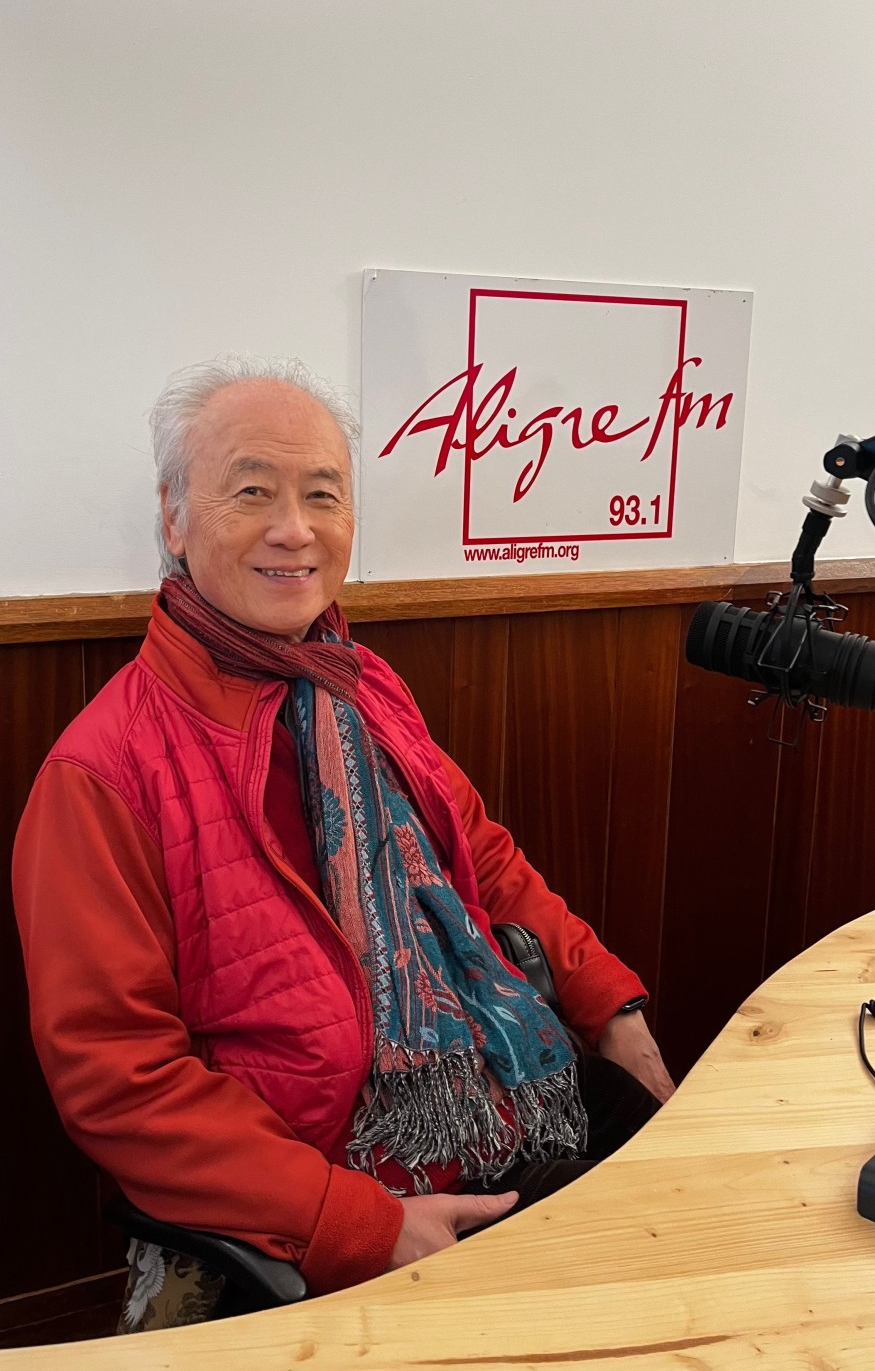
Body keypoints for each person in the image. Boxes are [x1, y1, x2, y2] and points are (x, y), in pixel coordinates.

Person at [13, 355, 674, 1333]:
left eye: (322, 494)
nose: (295, 528)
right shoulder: (100, 772)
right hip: (331, 1174)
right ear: (174, 518)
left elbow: (484, 861)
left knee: (700, 1213)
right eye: (252, 492)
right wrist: (359, 1225)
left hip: (501, 1083)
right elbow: (116, 1077)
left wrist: (610, 1006)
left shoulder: (361, 685)